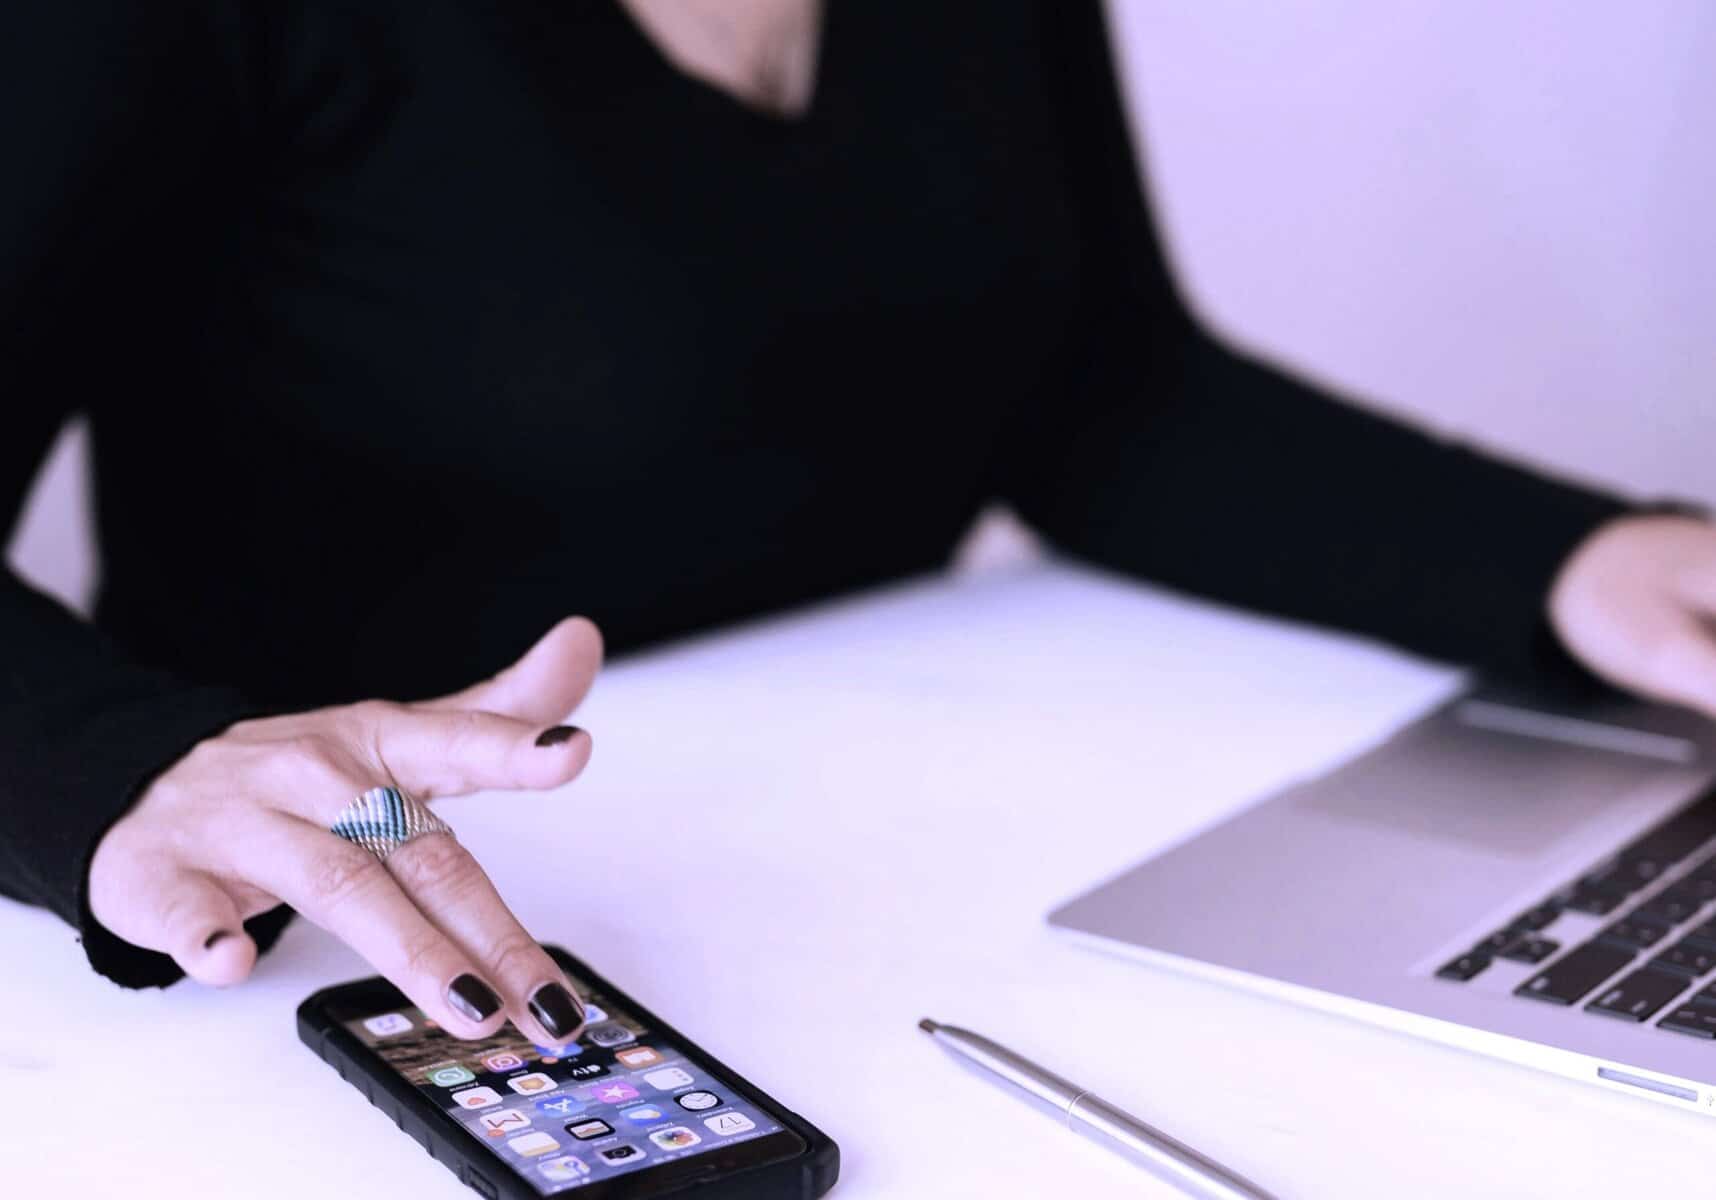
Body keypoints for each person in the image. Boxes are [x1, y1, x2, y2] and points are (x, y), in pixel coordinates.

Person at [5, 0, 1715, 1052]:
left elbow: (1095, 387)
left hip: (900, 897)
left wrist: (1579, 563)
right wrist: (129, 773)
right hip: (348, 957)